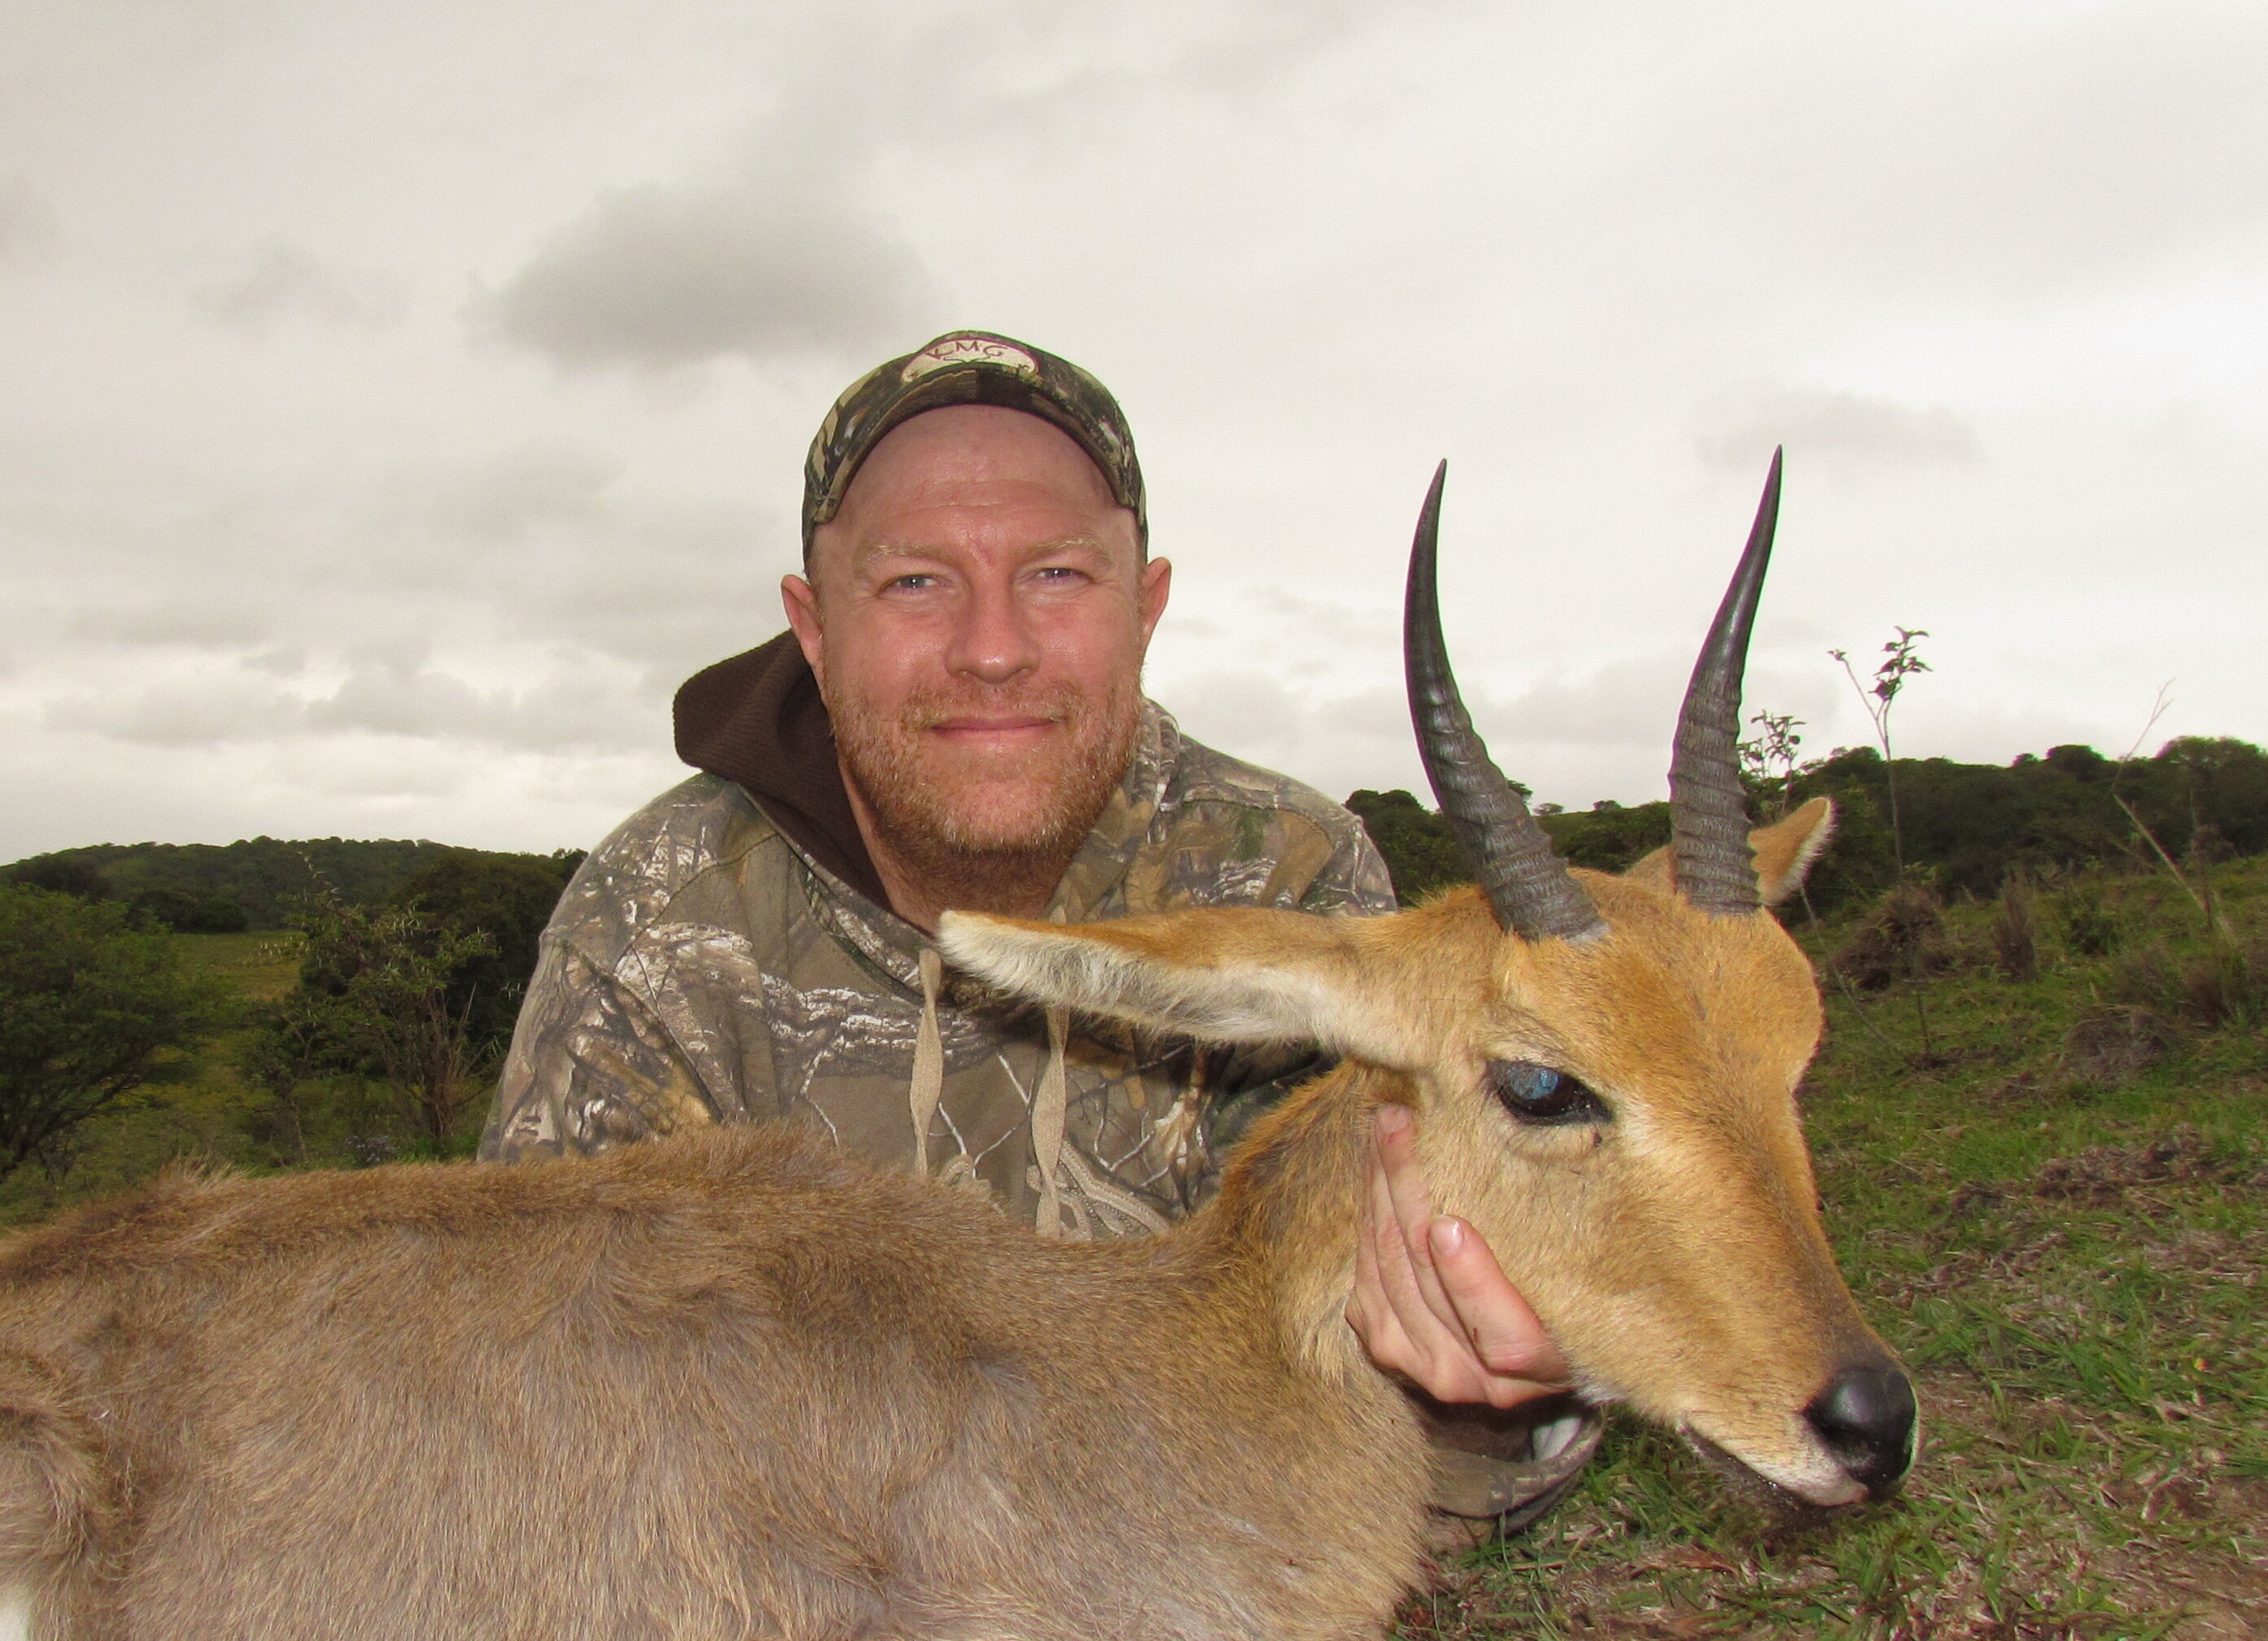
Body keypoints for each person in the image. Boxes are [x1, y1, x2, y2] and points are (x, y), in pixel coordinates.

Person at [481, 329, 1594, 1533]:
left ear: (1148, 606)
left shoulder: (1290, 884)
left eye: (1058, 575)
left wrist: (1483, 1404)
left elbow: (1381, 1426)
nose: (994, 648)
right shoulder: (656, 914)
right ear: (812, 625)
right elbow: (542, 1408)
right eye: (916, 581)